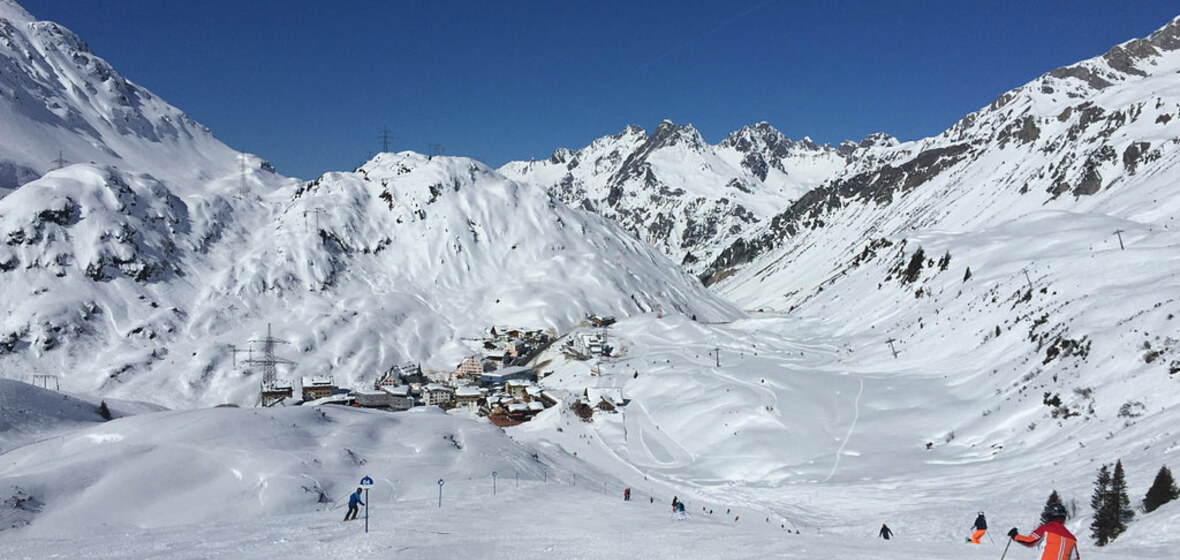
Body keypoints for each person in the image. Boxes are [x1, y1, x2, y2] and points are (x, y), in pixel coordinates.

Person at [1007, 503, 1080, 560]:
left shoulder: (1045, 529)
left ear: (1049, 517)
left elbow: (1029, 541)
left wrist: (1015, 535)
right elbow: (1075, 558)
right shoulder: (1072, 539)